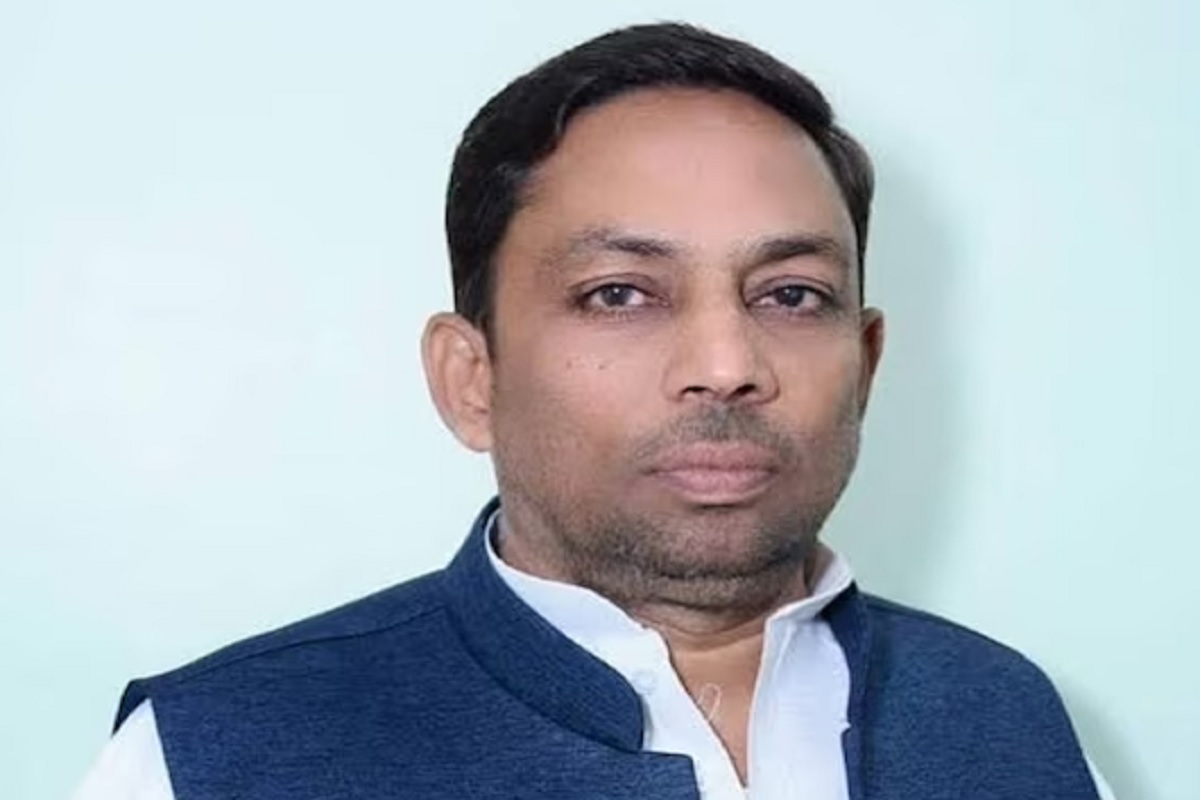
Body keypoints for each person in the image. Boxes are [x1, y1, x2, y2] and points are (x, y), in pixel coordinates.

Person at [73, 22, 1113, 800]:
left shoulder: (1010, 721)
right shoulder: (210, 757)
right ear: (471, 377)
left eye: (792, 295)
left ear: (867, 362)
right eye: (620, 293)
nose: (726, 365)